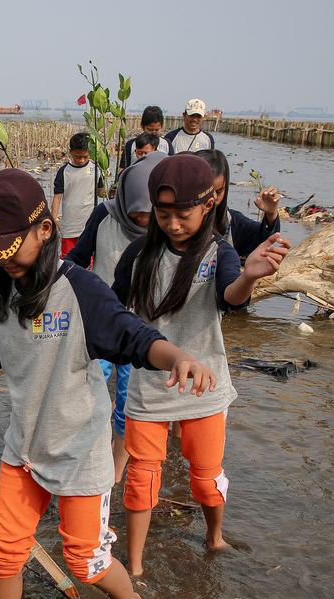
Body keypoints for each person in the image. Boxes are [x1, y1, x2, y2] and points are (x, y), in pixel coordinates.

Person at [0, 169, 214, 599]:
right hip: (25, 448)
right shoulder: (1, 287)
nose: (1, 259)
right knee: (3, 550)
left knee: (85, 562)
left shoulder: (79, 289)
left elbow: (131, 335)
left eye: (10, 246)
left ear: (45, 229)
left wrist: (178, 358)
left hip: (78, 451)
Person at [112, 155, 289, 564]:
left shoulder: (218, 253)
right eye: (163, 213)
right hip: (149, 387)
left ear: (208, 205)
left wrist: (249, 276)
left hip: (203, 388)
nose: (173, 223)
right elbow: (116, 310)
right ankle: (135, 564)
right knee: (140, 479)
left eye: (183, 214)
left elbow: (229, 298)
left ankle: (214, 536)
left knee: (206, 479)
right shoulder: (137, 256)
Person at [66, 152, 165, 481]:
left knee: (127, 401)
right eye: (136, 215)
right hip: (101, 325)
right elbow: (79, 256)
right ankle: (82, 454)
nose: (143, 222)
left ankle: (116, 470)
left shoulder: (168, 227)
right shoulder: (104, 216)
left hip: (141, 333)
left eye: (150, 216)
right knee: (84, 388)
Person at [195, 149, 282, 257]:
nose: (212, 198)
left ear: (225, 188)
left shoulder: (231, 222)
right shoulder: (175, 221)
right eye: (205, 192)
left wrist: (271, 214)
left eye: (218, 191)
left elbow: (263, 240)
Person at [52, 131, 103, 256]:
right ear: (70, 152)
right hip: (69, 225)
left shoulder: (96, 169)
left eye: (85, 157)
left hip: (89, 224)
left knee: (89, 259)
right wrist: (53, 219)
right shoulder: (64, 172)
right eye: (77, 156)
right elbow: (57, 197)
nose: (81, 160)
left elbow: (101, 193)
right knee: (68, 260)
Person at [121, 106, 170, 170]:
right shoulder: (131, 145)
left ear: (162, 126)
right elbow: (122, 169)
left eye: (157, 130)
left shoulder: (166, 144)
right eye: (150, 130)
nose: (153, 133)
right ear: (142, 126)